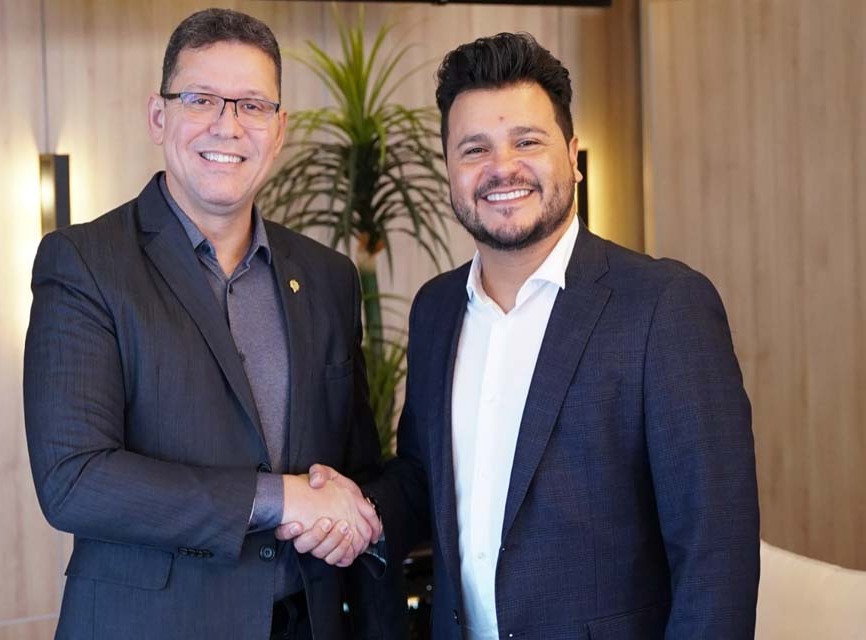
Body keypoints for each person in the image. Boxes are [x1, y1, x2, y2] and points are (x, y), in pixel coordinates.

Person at [280, 32, 760, 640]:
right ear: (450, 171)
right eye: (474, 148)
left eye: (527, 141)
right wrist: (356, 510)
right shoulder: (436, 310)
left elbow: (716, 555)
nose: (502, 167)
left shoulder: (664, 306)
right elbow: (426, 479)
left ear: (573, 156)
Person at [23, 8, 385, 640]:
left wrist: (349, 514)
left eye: (252, 105)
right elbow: (74, 481)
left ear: (279, 130)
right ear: (158, 117)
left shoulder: (328, 277)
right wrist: (280, 497)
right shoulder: (85, 263)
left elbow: (355, 465)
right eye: (201, 99)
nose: (228, 125)